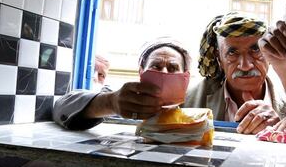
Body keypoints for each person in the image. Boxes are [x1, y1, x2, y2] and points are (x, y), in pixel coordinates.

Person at [184, 12, 286, 134]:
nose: (245, 66)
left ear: (268, 53)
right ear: (219, 59)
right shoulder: (189, 102)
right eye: (232, 53)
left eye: (256, 50)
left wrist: (277, 131)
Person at [53, 39, 192, 130]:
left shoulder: (194, 103)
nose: (164, 73)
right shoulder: (124, 98)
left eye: (173, 68)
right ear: (141, 72)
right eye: (156, 66)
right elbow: (61, 106)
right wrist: (110, 103)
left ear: (185, 77)